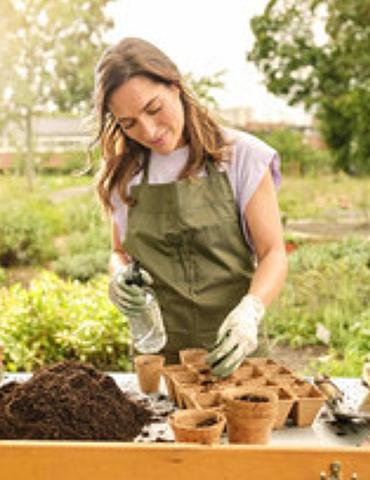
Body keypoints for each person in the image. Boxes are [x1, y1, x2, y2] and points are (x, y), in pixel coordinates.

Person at [94, 37, 287, 378]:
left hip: (236, 352)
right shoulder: (123, 174)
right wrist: (118, 277)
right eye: (129, 123)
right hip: (157, 360)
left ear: (175, 84)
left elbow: (273, 252)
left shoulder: (241, 156)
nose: (149, 131)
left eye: (153, 109)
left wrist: (250, 312)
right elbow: (119, 252)